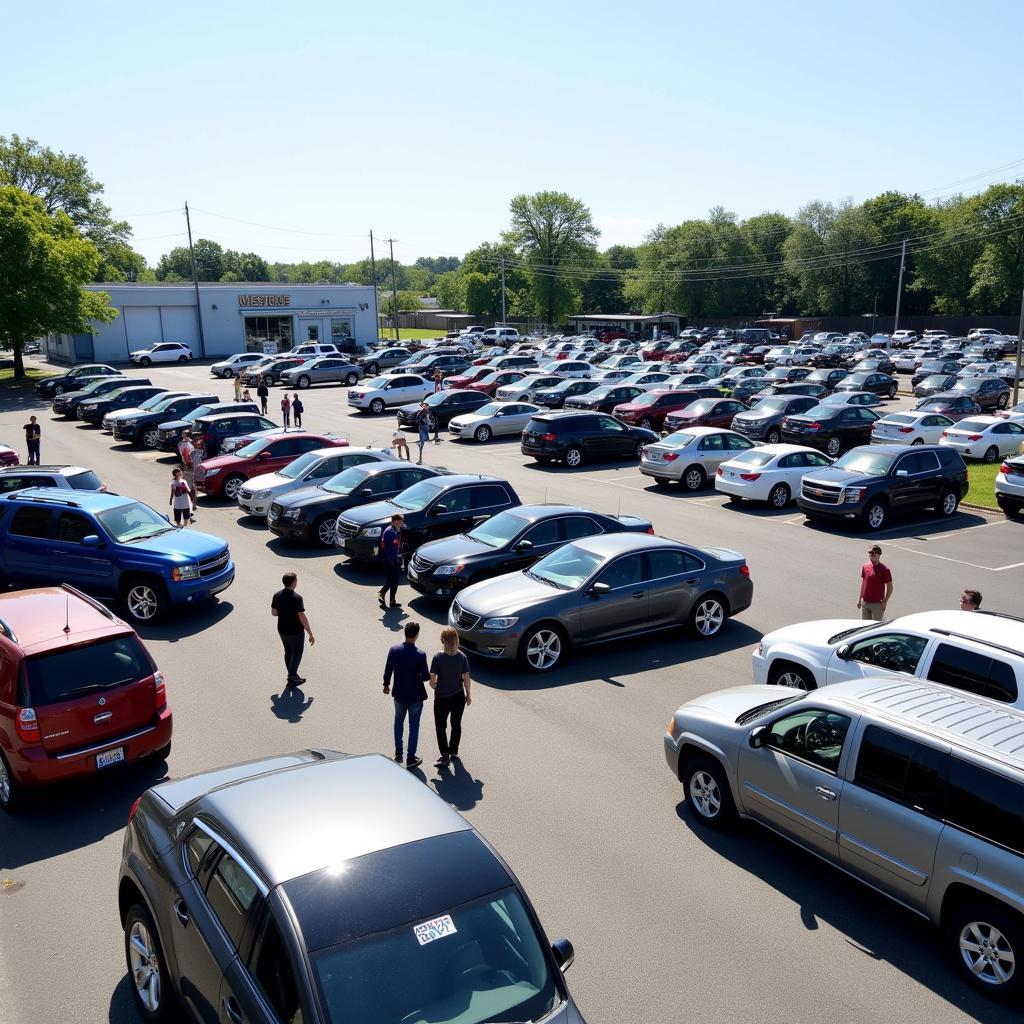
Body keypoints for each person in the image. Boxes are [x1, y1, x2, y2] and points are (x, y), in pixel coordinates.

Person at [383, 620, 430, 769]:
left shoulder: (394, 650)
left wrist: (386, 685)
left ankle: (398, 752)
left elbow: (388, 669)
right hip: (415, 697)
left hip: (399, 694)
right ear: (416, 636)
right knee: (414, 725)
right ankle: (411, 757)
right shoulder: (420, 655)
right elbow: (425, 677)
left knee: (398, 720)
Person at [429, 626, 471, 768]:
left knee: (441, 727)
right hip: (458, 696)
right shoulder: (462, 657)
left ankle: (444, 756)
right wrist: (468, 695)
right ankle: (454, 751)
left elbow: (432, 680)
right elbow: (466, 678)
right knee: (456, 724)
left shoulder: (438, 657)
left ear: (443, 641)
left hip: (442, 698)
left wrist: (436, 686)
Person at [271, 571, 315, 688]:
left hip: (282, 629)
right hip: (295, 631)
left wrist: (284, 612)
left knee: (288, 651)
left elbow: (274, 613)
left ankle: (292, 674)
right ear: (294, 583)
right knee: (297, 653)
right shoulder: (297, 598)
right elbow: (302, 616)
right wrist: (310, 633)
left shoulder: (277, 595)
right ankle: (292, 677)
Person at [858, 544, 893, 621]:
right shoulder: (865, 566)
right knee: (864, 627)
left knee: (876, 627)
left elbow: (890, 588)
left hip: (877, 605)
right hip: (865, 603)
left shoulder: (885, 570)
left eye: (873, 553)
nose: (871, 555)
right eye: (870, 553)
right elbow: (864, 583)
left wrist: (885, 601)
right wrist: (860, 599)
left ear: (879, 555)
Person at [377, 513, 404, 609]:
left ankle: (392, 601)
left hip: (393, 559)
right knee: (391, 580)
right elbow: (390, 546)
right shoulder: (390, 532)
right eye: (400, 522)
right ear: (395, 521)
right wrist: (391, 559)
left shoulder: (394, 530)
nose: (402, 524)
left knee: (394, 580)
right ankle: (381, 593)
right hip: (389, 560)